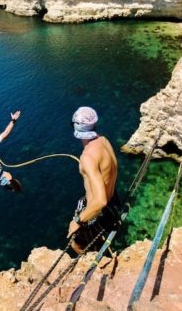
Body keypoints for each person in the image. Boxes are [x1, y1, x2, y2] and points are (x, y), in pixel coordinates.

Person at [67, 107, 121, 254]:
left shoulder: (88, 157)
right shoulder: (104, 140)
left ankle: (94, 265)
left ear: (76, 128)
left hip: (99, 212)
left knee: (74, 243)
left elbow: (100, 201)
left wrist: (77, 222)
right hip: (114, 202)